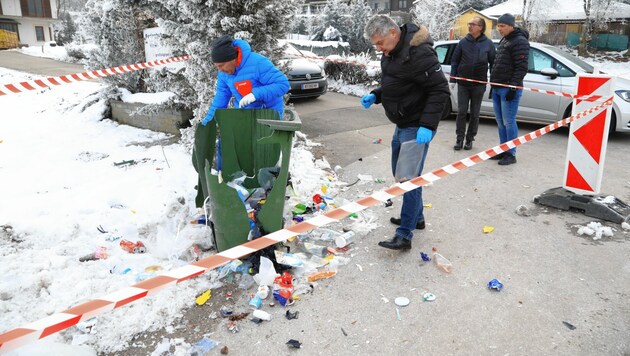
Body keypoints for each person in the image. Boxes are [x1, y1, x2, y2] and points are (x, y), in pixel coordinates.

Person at [361, 15, 450, 250]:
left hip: (416, 125)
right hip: (402, 123)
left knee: (408, 179)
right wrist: (377, 94)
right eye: (375, 45)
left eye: (380, 43)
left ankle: (405, 235)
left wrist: (428, 125)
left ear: (393, 33)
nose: (379, 49)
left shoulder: (419, 53)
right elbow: (396, 81)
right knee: (400, 175)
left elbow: (440, 90)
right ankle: (416, 217)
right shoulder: (392, 52)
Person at [201, 35, 290, 125]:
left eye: (221, 65)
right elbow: (220, 98)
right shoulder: (224, 74)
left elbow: (282, 84)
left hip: (268, 117)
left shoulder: (257, 63)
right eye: (217, 67)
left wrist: (255, 94)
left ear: (232, 59)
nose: (220, 70)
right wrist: (207, 124)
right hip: (246, 116)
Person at [489, 13, 529, 165]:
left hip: (509, 89)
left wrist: (513, 86)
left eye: (502, 26)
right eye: (498, 25)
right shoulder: (505, 39)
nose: (499, 29)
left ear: (511, 26)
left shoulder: (520, 41)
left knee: (509, 122)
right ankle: (502, 150)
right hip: (498, 87)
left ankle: (511, 154)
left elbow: (522, 67)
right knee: (500, 122)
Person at [450, 16, 495, 151]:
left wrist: (493, 82)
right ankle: (459, 138)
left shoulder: (488, 44)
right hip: (463, 83)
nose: (470, 26)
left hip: (479, 84)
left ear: (480, 27)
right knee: (462, 112)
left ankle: (470, 139)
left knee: (475, 113)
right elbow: (455, 60)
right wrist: (453, 78)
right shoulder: (463, 42)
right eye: (469, 24)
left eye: (473, 24)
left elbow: (493, 64)